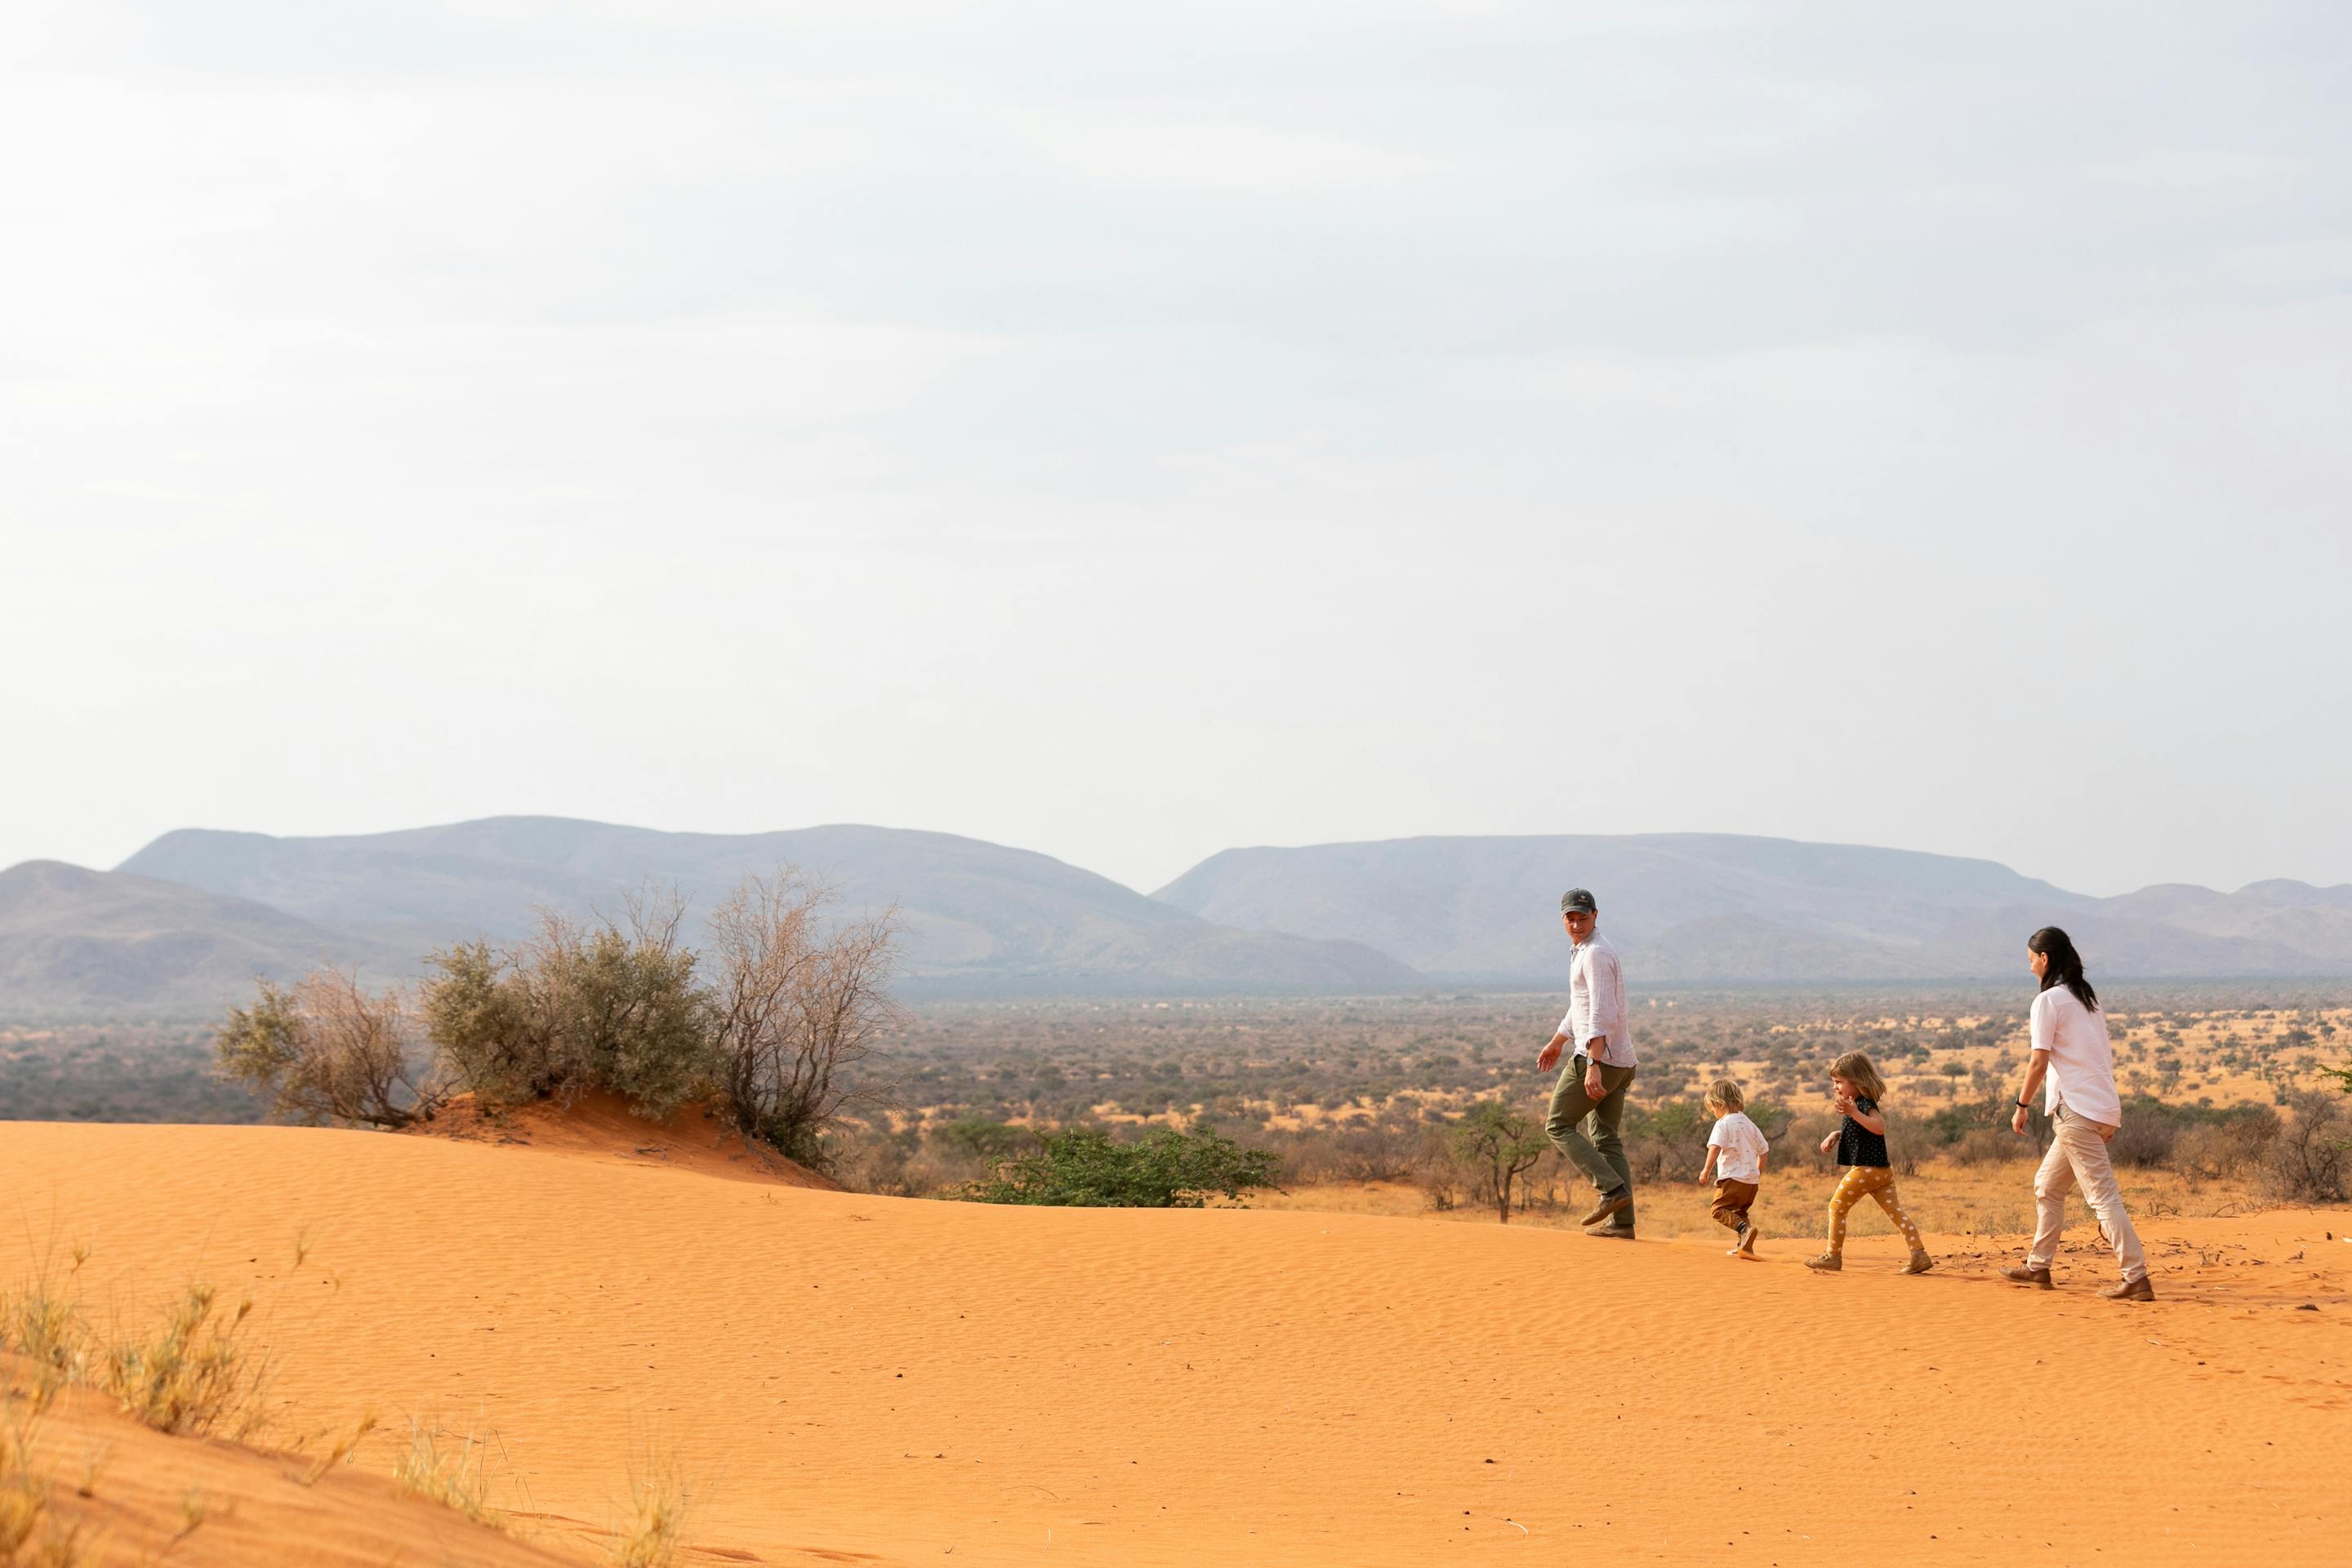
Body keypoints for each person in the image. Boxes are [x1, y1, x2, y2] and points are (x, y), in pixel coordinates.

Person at [2001, 926, 2154, 1302]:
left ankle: (2136, 1277)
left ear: (2045, 959)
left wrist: (2022, 1106)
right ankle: (2039, 1267)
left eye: (2031, 960)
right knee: (2048, 1186)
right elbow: (2102, 1056)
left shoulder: (2049, 1001)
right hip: (2096, 1107)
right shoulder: (2087, 999)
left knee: (2103, 1198)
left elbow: (2038, 1061)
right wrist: (2106, 1113)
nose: (2030, 968)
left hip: (2076, 1111)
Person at [1535, 888, 1638, 1239]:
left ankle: (1610, 1191)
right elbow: (1581, 1005)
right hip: (1621, 1060)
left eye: (1583, 917)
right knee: (1607, 1137)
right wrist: (1557, 1040)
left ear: (1596, 915)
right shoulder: (1586, 951)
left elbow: (1600, 1013)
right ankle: (1623, 1224)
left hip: (1600, 1058)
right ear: (1562, 919)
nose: (1577, 924)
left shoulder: (1595, 954)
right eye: (1571, 918)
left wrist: (1593, 1062)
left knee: (1558, 1125)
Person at [1805, 1051, 1932, 1275]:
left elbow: (1878, 1127)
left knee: (1836, 1207)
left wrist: (1853, 1112)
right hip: (1882, 1171)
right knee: (1896, 1212)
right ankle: (1919, 1254)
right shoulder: (1856, 1106)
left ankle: (1833, 1256)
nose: (1836, 1087)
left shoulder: (1864, 1105)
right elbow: (1861, 1132)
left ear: (1856, 1080)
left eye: (1839, 1082)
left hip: (1867, 1169)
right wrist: (1836, 1134)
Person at [1696, 1077, 1768, 1258]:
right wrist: (1757, 1174)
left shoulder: (1723, 1123)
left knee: (1718, 1210)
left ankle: (1744, 1230)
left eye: (1712, 1109)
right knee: (1740, 1212)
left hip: (1733, 1178)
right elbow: (1764, 1151)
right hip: (1751, 1183)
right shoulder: (1749, 1123)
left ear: (1718, 1104)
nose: (1714, 1113)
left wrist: (1706, 1170)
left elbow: (1715, 1148)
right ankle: (1745, 1246)